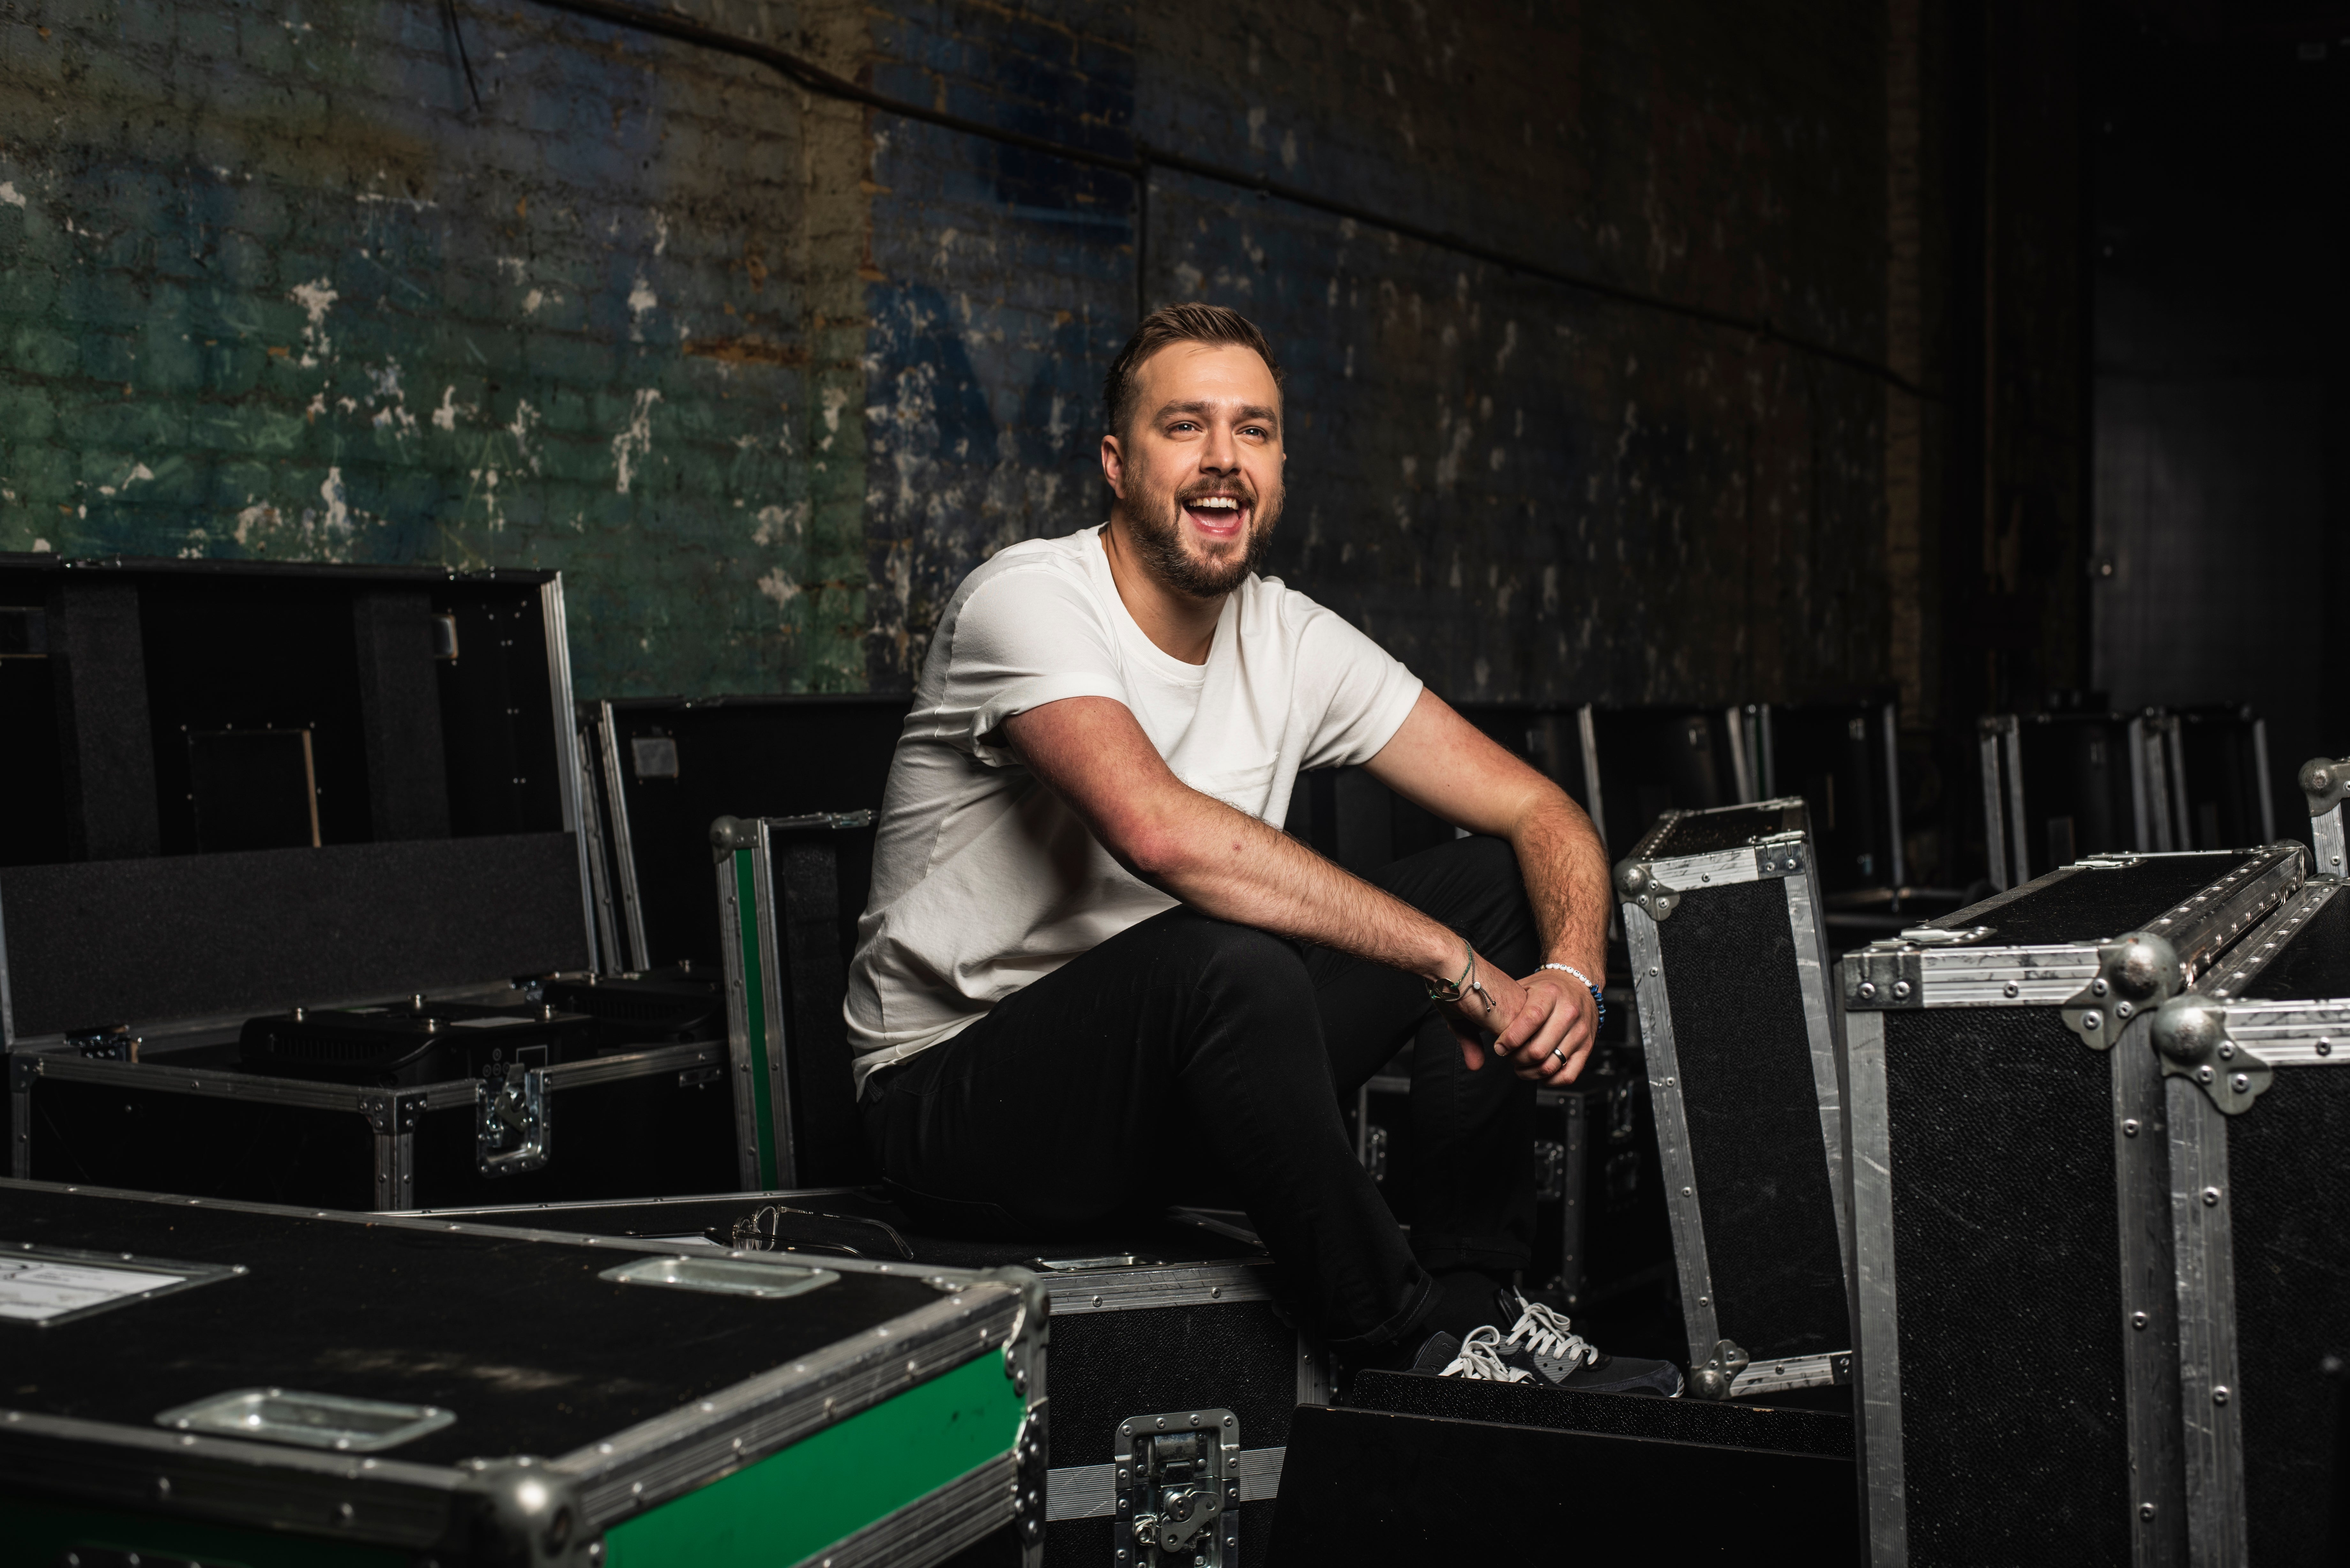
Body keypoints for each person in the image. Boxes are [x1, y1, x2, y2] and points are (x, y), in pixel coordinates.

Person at [847, 301, 1680, 1393]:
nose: (1222, 461)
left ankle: (1479, 1297)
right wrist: (1448, 968)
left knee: (1493, 886)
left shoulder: (1289, 636)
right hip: (955, 1100)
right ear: (1116, 461)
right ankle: (1403, 1349)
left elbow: (1542, 813)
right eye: (1184, 426)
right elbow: (1161, 833)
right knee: (1230, 957)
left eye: (1253, 430)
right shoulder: (1030, 601)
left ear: (1281, 463)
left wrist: (1572, 969)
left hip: (1172, 1091)